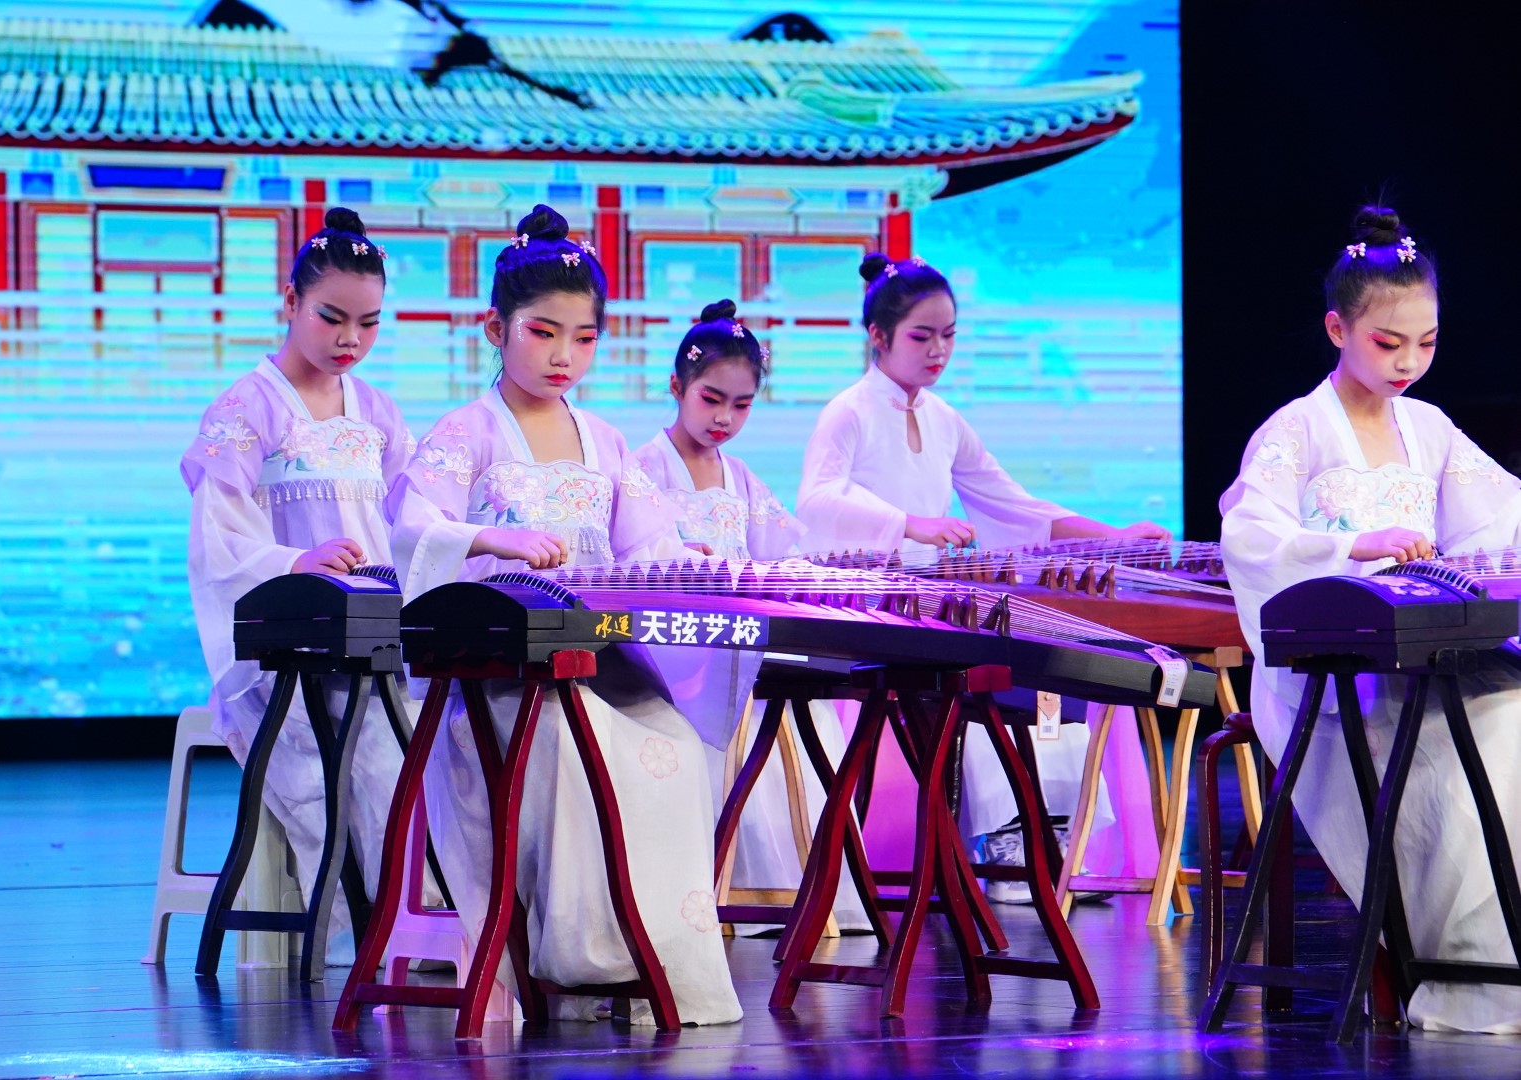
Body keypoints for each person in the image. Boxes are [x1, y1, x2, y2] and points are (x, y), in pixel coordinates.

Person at [385, 205, 742, 1025]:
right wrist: (491, 538)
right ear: (495, 329)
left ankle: (642, 950)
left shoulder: (604, 440)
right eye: (543, 333)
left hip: (593, 664)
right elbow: (411, 528)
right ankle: (572, 952)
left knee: (680, 739)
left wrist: (694, 559)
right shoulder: (465, 432)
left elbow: (647, 542)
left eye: (583, 339)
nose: (562, 356)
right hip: (499, 681)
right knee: (578, 745)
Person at [1220, 206, 1521, 1032]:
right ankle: (1462, 974)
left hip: (1419, 666)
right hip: (1329, 682)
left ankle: (1493, 962)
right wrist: (1355, 548)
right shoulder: (1296, 430)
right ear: (1337, 329)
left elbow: (1502, 517)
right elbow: (1251, 537)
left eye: (1427, 342)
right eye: (1389, 343)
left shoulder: (1429, 428)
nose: (1409, 362)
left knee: (1511, 710)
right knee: (1489, 738)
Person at [796, 253, 1169, 901]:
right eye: (921, 336)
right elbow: (816, 499)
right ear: (879, 336)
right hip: (871, 606)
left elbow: (1011, 504)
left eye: (948, 335)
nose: (938, 350)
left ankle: (1050, 826)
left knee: (1048, 670)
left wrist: (1112, 536)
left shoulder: (943, 419)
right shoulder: (848, 412)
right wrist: (909, 524)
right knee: (981, 668)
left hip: (931, 602)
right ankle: (1005, 833)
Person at [182, 206, 414, 958]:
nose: (351, 340)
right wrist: (293, 562)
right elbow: (218, 539)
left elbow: (407, 522)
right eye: (332, 318)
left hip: (373, 642)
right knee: (337, 770)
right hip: (284, 652)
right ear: (290, 302)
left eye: (369, 324)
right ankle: (377, 932)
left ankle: (414, 929)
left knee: (412, 764)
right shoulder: (246, 408)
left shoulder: (377, 411)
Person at [626, 299, 868, 932]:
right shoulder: (641, 469)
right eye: (711, 399)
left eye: (741, 405)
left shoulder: (740, 478)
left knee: (801, 709)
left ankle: (797, 891)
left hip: (738, 644)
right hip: (671, 652)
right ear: (676, 386)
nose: (724, 418)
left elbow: (778, 560)